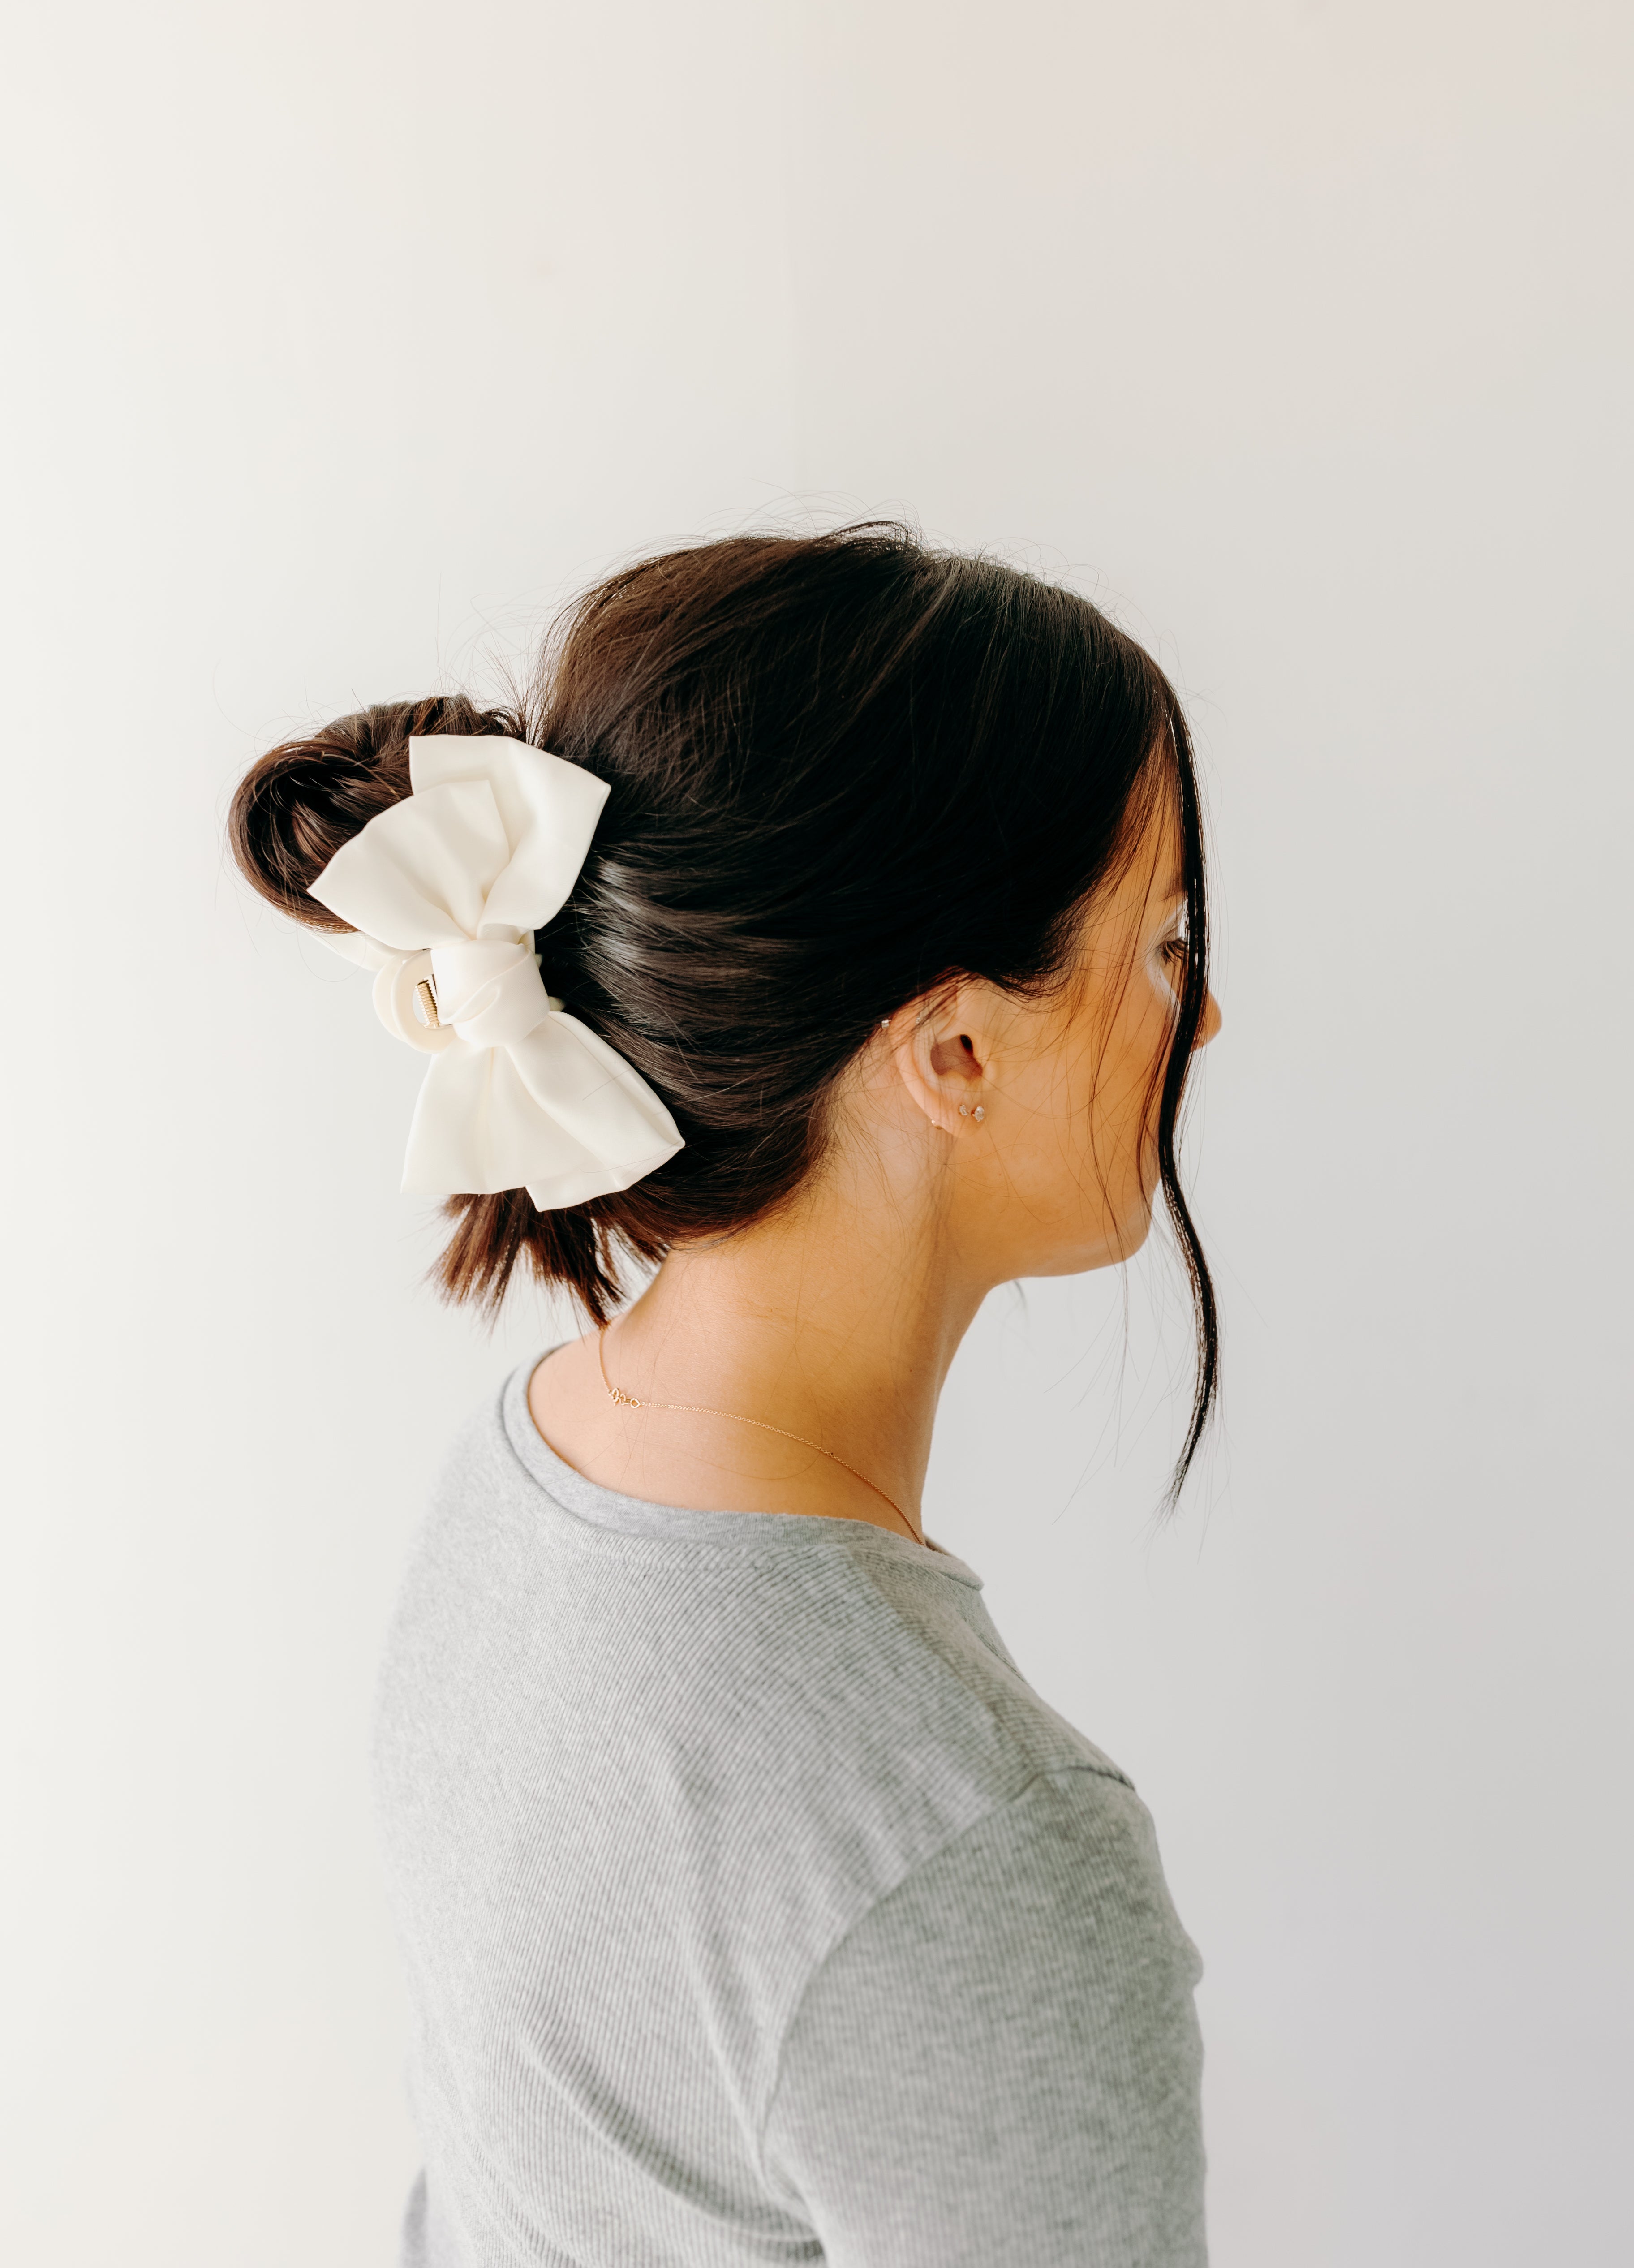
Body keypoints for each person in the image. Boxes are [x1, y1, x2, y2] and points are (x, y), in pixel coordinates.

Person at [229, 524, 1223, 2266]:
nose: (1199, 1021)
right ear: (959, 1053)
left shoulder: (535, 1465)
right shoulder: (968, 1860)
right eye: (1164, 942)